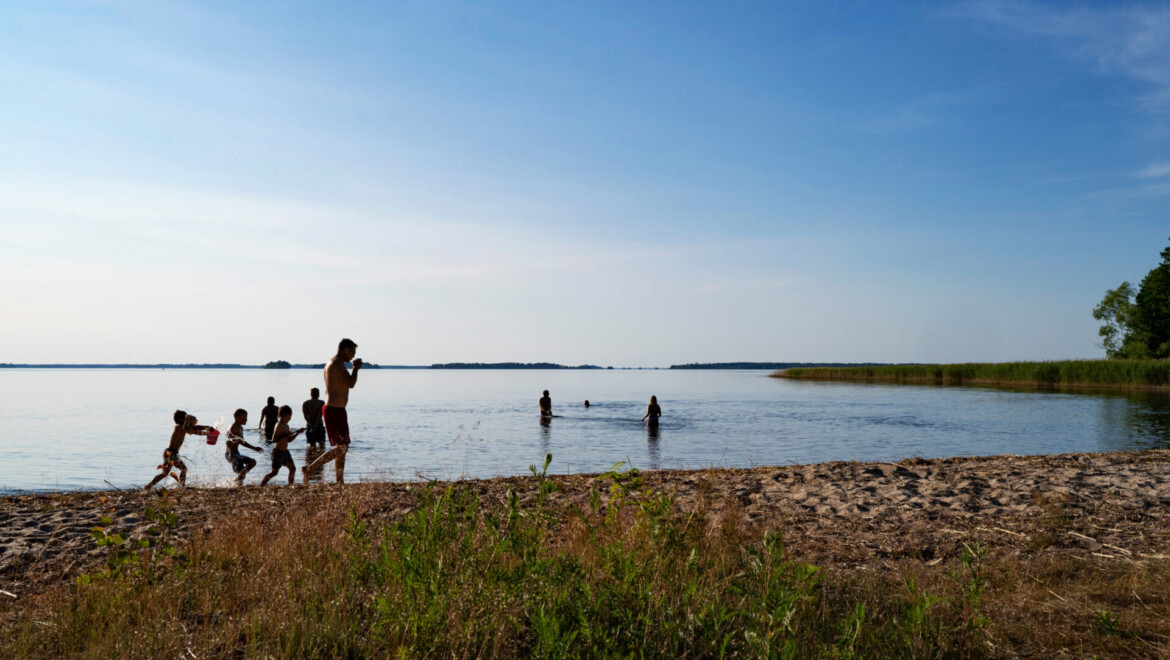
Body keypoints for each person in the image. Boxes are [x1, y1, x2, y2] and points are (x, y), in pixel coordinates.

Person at [304, 338, 361, 484]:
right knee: (342, 448)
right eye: (352, 352)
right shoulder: (337, 363)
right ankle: (311, 468)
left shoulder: (333, 363)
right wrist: (356, 368)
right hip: (334, 410)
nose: (353, 356)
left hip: (337, 410)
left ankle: (339, 480)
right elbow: (351, 383)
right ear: (345, 349)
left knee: (342, 448)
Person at [144, 410, 211, 490]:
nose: (187, 421)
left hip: (168, 452)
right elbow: (194, 431)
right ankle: (181, 486)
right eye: (185, 418)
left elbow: (195, 427)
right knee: (183, 469)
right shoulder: (179, 427)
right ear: (180, 420)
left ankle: (148, 486)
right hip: (171, 453)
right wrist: (206, 433)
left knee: (164, 473)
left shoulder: (182, 427)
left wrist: (207, 427)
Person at [260, 405, 303, 486]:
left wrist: (297, 433)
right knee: (274, 473)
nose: (290, 418)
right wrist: (285, 435)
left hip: (285, 452)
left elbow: (289, 440)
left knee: (293, 469)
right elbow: (274, 439)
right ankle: (261, 485)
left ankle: (291, 485)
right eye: (290, 415)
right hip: (277, 452)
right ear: (286, 415)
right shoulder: (279, 425)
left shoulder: (286, 426)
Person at [225, 408, 263, 485]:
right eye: (245, 417)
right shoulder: (233, 427)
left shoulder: (240, 428)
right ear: (237, 417)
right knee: (252, 462)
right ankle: (235, 481)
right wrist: (231, 453)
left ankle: (235, 486)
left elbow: (242, 442)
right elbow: (228, 442)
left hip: (236, 453)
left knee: (242, 474)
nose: (246, 419)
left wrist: (254, 448)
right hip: (231, 453)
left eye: (246, 417)